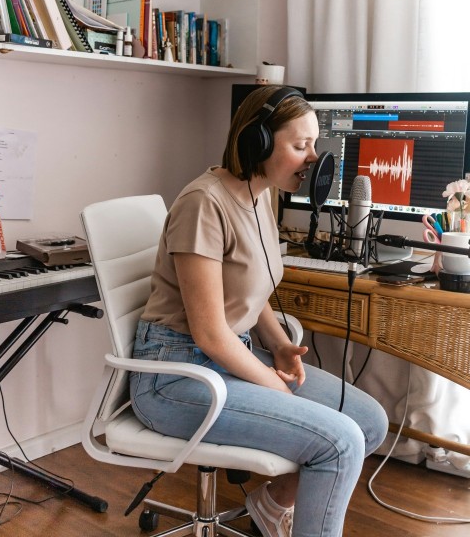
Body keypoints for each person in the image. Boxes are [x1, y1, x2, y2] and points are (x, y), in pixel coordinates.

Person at [130, 85, 388, 537]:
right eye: (300, 145)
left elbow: (249, 288)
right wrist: (272, 383)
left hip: (233, 355)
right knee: (341, 442)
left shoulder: (261, 195)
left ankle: (270, 507)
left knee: (368, 422)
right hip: (175, 376)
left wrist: (279, 345)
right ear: (258, 142)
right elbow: (209, 333)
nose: (313, 159)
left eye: (314, 144)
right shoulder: (203, 204)